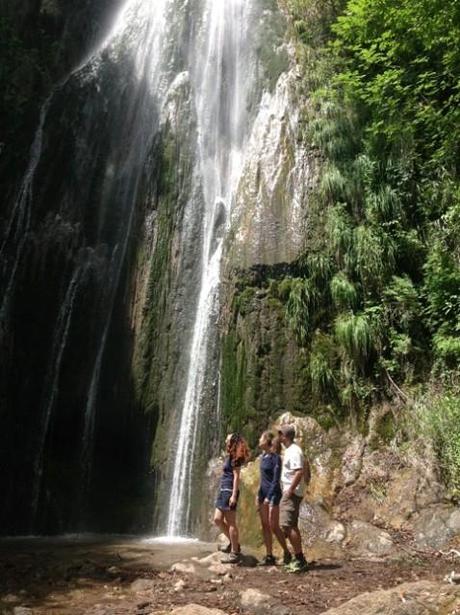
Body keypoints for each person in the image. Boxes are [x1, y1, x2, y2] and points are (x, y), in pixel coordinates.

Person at [214, 433, 250, 564]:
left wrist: (234, 495)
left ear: (232, 441)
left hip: (229, 491)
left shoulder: (236, 457)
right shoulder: (230, 455)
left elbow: (236, 477)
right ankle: (234, 543)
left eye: (227, 438)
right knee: (217, 519)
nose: (225, 439)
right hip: (223, 491)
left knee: (231, 523)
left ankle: (235, 553)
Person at [256, 431, 291, 566]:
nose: (259, 440)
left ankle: (287, 551)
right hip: (263, 494)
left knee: (273, 525)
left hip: (273, 494)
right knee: (265, 525)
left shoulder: (275, 458)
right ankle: (269, 555)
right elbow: (263, 479)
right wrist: (259, 495)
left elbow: (275, 480)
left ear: (267, 441)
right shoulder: (263, 457)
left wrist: (268, 497)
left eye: (261, 438)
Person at [278, 424, 308, 573]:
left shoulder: (295, 451)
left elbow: (299, 472)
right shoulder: (290, 450)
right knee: (290, 525)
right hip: (291, 491)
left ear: (286, 436)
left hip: (292, 493)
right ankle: (297, 557)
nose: (278, 437)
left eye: (280, 434)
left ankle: (300, 559)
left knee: (287, 526)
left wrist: (290, 490)